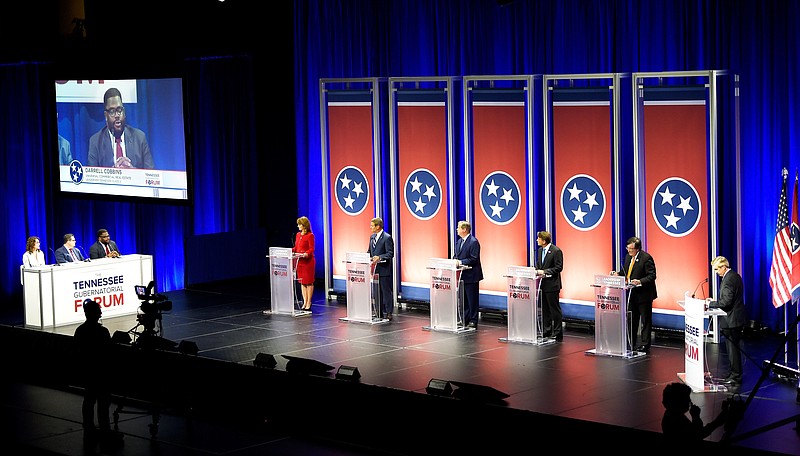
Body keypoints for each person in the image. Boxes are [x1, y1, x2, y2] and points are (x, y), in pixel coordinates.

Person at [73, 299, 121, 447]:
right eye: (99, 310)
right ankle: (104, 429)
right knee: (102, 403)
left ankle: (88, 427)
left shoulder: (80, 331)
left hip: (87, 372)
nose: (101, 312)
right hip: (100, 373)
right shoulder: (102, 332)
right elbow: (108, 353)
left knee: (89, 400)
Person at [87, 87, 154, 169]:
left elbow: (150, 173)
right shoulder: (96, 142)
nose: (117, 115)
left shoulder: (139, 138)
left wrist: (133, 172)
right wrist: (115, 173)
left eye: (119, 110)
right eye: (112, 111)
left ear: (124, 112)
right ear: (106, 116)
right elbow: (93, 178)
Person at [611, 236, 657, 352]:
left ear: (637, 249)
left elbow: (652, 276)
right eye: (628, 248)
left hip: (644, 294)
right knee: (632, 319)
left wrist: (640, 281)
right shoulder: (628, 257)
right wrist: (617, 274)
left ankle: (645, 344)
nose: (629, 251)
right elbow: (626, 273)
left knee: (645, 320)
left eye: (631, 249)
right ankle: (630, 342)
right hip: (632, 294)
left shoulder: (646, 258)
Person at [707, 256, 746, 386]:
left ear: (724, 267)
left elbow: (726, 302)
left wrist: (711, 303)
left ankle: (736, 377)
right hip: (734, 319)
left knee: (733, 350)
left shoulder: (729, 280)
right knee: (731, 350)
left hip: (732, 320)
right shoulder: (734, 276)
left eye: (717, 269)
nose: (716, 272)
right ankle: (733, 373)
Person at [661, 382, 728, 444]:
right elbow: (698, 434)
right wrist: (696, 417)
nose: (690, 400)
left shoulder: (672, 416)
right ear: (678, 402)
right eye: (687, 398)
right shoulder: (676, 420)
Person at [453, 220, 483, 328]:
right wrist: (453, 261)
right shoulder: (459, 242)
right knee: (463, 299)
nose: (457, 229)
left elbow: (474, 259)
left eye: (458, 227)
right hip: (462, 275)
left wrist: (460, 262)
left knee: (472, 299)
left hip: (472, 275)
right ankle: (464, 319)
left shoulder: (473, 242)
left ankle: (473, 320)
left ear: (464, 229)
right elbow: (456, 255)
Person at [535, 231, 563, 341]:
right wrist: (537, 270)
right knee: (545, 309)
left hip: (552, 285)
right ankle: (546, 331)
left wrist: (544, 271)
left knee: (554, 309)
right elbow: (539, 264)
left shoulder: (556, 251)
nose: (537, 240)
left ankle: (557, 332)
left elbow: (559, 267)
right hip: (543, 285)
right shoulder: (540, 250)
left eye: (539, 238)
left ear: (544, 240)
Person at [368, 217, 395, 320]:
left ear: (378, 226)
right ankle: (378, 311)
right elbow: (369, 251)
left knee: (386, 291)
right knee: (376, 292)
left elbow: (390, 253)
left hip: (384, 270)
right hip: (374, 270)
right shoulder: (372, 237)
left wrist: (380, 257)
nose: (370, 227)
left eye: (372, 225)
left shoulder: (387, 237)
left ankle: (388, 312)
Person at [293, 216, 316, 311]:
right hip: (300, 262)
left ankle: (308, 302)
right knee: (302, 282)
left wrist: (307, 253)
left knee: (309, 282)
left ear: (304, 225)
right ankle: (304, 301)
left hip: (308, 262)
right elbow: (296, 248)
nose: (298, 226)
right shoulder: (298, 235)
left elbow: (311, 248)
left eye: (299, 224)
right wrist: (290, 251)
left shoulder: (310, 236)